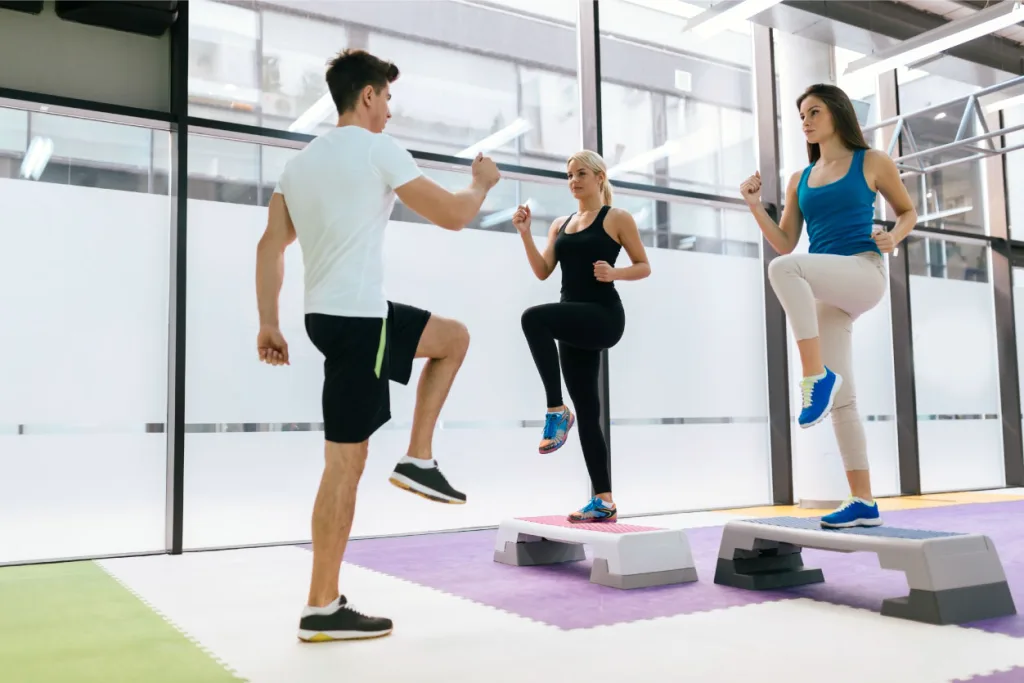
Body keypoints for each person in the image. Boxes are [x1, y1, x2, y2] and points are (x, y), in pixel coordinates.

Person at [254, 49, 501, 642]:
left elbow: (270, 246)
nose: (390, 110)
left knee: (450, 339)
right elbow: (452, 216)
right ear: (367, 95)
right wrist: (481, 183)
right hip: (362, 320)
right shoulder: (375, 149)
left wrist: (269, 322)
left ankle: (326, 596)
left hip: (325, 320)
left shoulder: (300, 165)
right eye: (386, 98)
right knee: (344, 463)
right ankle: (414, 464)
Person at [739, 83, 917, 529]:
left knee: (785, 271)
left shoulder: (871, 161)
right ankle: (863, 500)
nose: (806, 120)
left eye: (814, 111)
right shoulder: (801, 179)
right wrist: (754, 206)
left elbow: (907, 211)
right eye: (801, 114)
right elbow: (785, 241)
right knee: (844, 402)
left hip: (863, 270)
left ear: (836, 113)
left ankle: (815, 374)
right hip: (825, 289)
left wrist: (893, 237)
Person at [513, 150, 651, 524]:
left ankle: (556, 411)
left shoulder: (616, 218)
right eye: (569, 175)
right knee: (589, 414)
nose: (574, 181)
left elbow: (644, 266)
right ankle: (603, 500)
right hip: (572, 320)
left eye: (581, 174)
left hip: (603, 316)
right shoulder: (561, 223)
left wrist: (615, 273)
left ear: (599, 177)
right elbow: (543, 271)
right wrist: (525, 234)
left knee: (533, 319)